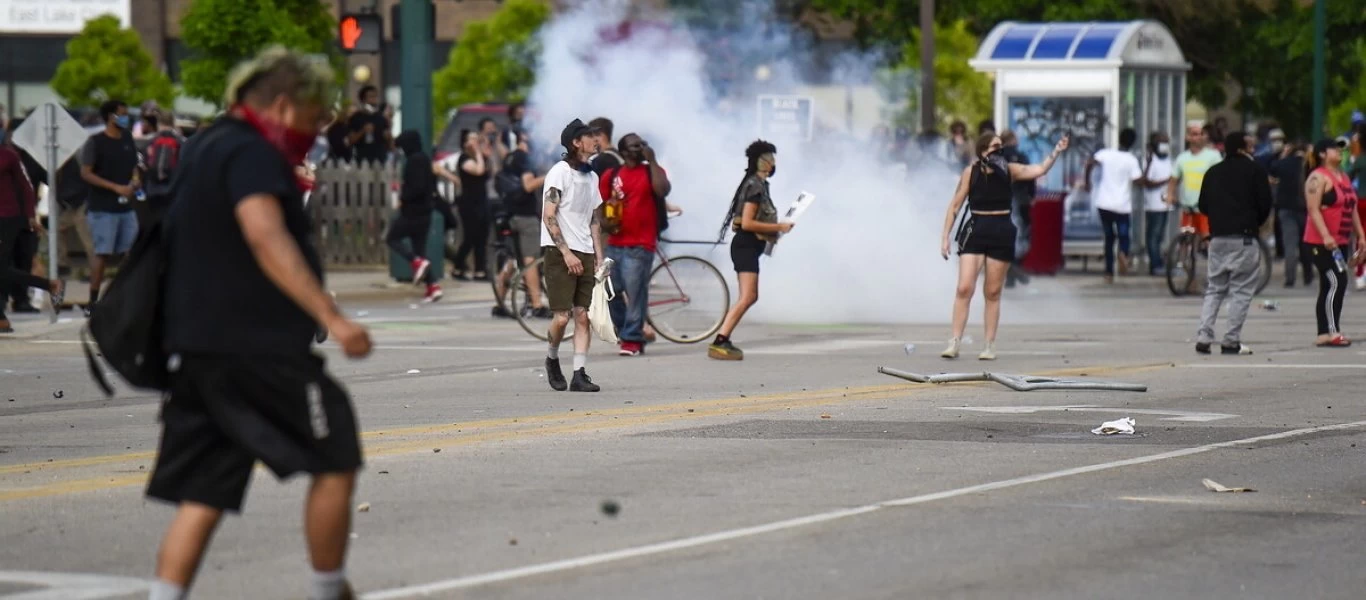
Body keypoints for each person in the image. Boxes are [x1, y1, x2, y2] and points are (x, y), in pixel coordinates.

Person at [149, 46, 372, 600]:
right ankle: (327, 590)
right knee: (336, 455)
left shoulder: (203, 148)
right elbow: (263, 233)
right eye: (313, 116)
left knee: (203, 494)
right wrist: (332, 317)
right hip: (257, 349)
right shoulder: (251, 154)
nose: (317, 129)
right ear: (279, 103)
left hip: (196, 348)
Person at [939, 132, 1068, 360]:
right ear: (982, 150)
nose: (998, 150)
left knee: (993, 291)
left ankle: (989, 344)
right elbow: (954, 205)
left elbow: (1039, 170)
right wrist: (945, 237)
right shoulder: (972, 172)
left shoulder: (1010, 170)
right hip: (976, 228)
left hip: (1001, 228)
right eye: (993, 146)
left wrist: (1056, 151)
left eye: (1000, 146)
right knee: (964, 287)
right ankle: (955, 341)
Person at [708, 140, 792, 361]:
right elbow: (747, 223)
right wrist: (779, 227)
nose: (774, 163)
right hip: (745, 245)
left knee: (749, 296)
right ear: (761, 162)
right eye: (770, 159)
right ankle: (721, 340)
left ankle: (723, 338)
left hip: (750, 246)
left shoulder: (759, 185)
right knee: (748, 296)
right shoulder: (755, 186)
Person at [1192, 132, 1273, 355]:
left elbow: (1203, 206)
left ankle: (1203, 336)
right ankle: (1231, 340)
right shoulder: (1255, 170)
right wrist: (1253, 221)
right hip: (1244, 238)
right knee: (1241, 291)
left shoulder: (1213, 172)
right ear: (1242, 148)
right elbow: (1265, 204)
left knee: (1215, 289)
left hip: (1217, 239)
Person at [541, 118, 605, 392]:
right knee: (562, 317)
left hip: (586, 251)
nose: (596, 140)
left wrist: (599, 256)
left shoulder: (592, 177)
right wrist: (566, 253)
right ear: (576, 143)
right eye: (590, 137)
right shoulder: (560, 172)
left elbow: (594, 220)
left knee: (582, 315)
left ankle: (579, 373)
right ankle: (552, 358)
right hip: (560, 252)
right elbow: (549, 215)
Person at [600, 133, 676, 356]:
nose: (641, 148)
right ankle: (627, 331)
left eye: (643, 144)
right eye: (635, 146)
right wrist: (605, 222)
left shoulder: (651, 171)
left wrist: (652, 160)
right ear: (624, 152)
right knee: (610, 290)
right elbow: (601, 204)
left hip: (641, 243)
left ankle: (632, 339)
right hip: (615, 242)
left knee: (635, 292)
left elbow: (663, 190)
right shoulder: (611, 175)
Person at [0, 117, 65, 332]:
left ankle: (2, 317)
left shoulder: (9, 156)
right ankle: (50, 285)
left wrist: (29, 215)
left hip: (8, 217)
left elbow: (26, 187)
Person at [78, 99, 142, 314]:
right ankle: (93, 302)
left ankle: (124, 297)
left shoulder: (127, 138)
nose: (125, 118)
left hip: (126, 206)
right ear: (110, 117)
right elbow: (86, 172)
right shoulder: (96, 142)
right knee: (102, 253)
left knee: (131, 252)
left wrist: (134, 180)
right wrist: (114, 187)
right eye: (121, 114)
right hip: (102, 207)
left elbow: (134, 165)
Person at [1303, 138, 1364, 347]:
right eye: (1334, 149)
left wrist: (1361, 235)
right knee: (1336, 282)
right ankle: (1329, 331)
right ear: (1322, 154)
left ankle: (1326, 332)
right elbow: (1313, 209)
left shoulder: (1343, 177)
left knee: (1334, 283)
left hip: (1341, 241)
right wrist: (1326, 236)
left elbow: (1352, 207)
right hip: (1320, 242)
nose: (1339, 152)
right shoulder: (1317, 178)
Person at [492, 132, 550, 319]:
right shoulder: (524, 158)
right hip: (525, 216)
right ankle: (536, 303)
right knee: (530, 260)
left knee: (511, 258)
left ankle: (500, 302)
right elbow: (528, 185)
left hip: (509, 215)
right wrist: (550, 175)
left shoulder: (509, 158)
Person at [386, 130, 443, 303]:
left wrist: (403, 196)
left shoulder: (414, 160)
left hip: (412, 212)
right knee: (420, 251)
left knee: (392, 238)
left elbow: (416, 187)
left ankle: (415, 263)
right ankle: (432, 287)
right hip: (425, 213)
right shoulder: (425, 159)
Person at [1085, 128, 1143, 281]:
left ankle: (1108, 272)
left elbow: (1090, 163)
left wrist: (1087, 182)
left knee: (1109, 238)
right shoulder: (1131, 160)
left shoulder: (1106, 154)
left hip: (1104, 202)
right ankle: (1124, 253)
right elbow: (1138, 179)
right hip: (1122, 204)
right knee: (1124, 234)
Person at [1269, 140, 1314, 287]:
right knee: (1305, 244)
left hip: (1286, 208)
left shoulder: (1284, 163)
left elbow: (1272, 169)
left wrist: (1284, 155)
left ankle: (1290, 278)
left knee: (1290, 244)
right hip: (1306, 208)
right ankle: (1308, 275)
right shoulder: (1310, 165)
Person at [450, 130, 490, 281]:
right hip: (469, 203)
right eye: (471, 139)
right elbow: (478, 171)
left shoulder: (478, 157)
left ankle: (480, 270)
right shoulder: (464, 158)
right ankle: (458, 266)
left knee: (481, 236)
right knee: (470, 237)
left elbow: (487, 170)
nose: (475, 142)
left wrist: (483, 149)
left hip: (481, 201)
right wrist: (478, 152)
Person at [998, 130, 1034, 287]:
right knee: (1021, 236)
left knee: (1003, 238)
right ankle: (1014, 267)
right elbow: (1030, 177)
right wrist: (1031, 195)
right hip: (1021, 200)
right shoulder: (1022, 157)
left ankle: (1010, 272)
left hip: (1001, 202)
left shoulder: (996, 158)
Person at [142, 110, 185, 232]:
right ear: (173, 122)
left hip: (152, 188)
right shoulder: (180, 141)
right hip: (172, 189)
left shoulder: (152, 140)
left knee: (153, 221)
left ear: (159, 122)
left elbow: (145, 163)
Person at [1140, 132, 1174, 275]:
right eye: (1161, 141)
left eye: (1166, 141)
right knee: (1153, 235)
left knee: (1159, 236)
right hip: (1154, 204)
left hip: (1165, 203)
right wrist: (1166, 181)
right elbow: (1146, 182)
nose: (1164, 144)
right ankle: (1155, 265)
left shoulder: (1169, 160)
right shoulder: (1150, 160)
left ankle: (1159, 262)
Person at [347, 85, 390, 164]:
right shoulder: (355, 118)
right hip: (362, 157)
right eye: (371, 97)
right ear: (363, 100)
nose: (374, 100)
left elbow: (389, 142)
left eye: (375, 96)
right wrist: (363, 131)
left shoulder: (381, 118)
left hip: (380, 157)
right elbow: (350, 141)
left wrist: (388, 137)